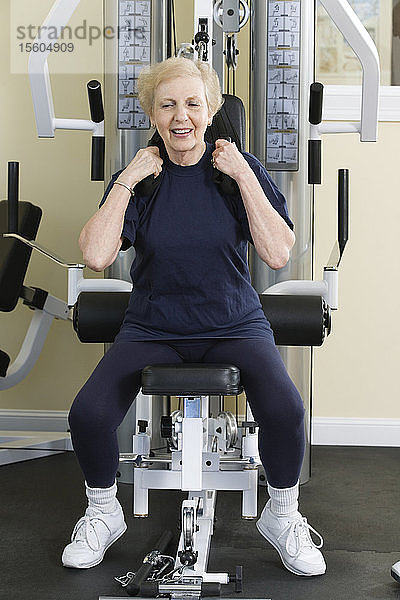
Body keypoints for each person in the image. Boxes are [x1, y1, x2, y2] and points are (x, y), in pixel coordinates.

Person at [62, 57, 326, 577]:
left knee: (287, 410)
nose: (181, 116)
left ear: (211, 110)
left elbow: (278, 253)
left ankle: (282, 514)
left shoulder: (237, 170)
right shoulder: (140, 178)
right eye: (167, 105)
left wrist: (245, 175)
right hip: (153, 325)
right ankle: (103, 510)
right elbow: (96, 254)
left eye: (192, 104)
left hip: (233, 322)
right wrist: (127, 179)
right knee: (88, 414)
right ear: (153, 115)